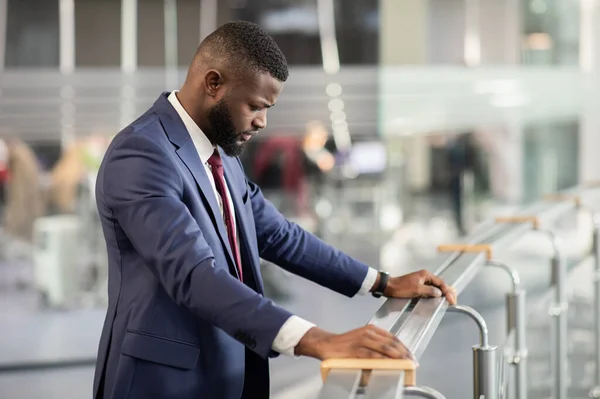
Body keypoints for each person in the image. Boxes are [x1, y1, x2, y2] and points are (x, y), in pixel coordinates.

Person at [93, 21, 456, 399]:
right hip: (163, 383)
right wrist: (317, 340)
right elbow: (194, 274)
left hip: (226, 370)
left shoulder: (221, 152)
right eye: (254, 106)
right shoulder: (141, 154)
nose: (262, 122)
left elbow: (279, 235)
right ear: (213, 83)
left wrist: (381, 283)